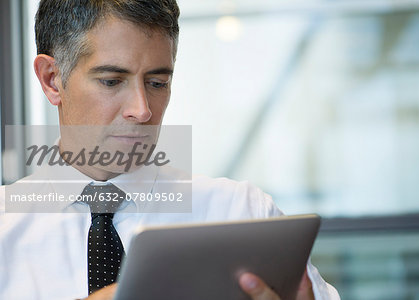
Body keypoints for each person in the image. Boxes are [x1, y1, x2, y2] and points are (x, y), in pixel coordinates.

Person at [0, 1, 339, 299]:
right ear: (51, 79)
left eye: (157, 83)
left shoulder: (243, 213)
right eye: (112, 81)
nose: (142, 109)